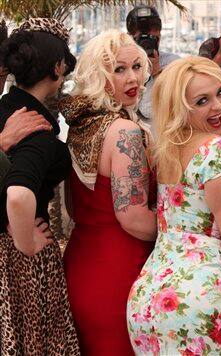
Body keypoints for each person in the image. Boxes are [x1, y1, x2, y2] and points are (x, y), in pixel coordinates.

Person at [127, 56, 221, 355]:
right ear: (180, 109)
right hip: (195, 296)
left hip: (146, 298)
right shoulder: (217, 150)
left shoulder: (167, 151)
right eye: (202, 101)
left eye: (220, 93)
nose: (218, 106)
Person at [59, 30, 156, 355]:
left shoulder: (81, 126)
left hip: (82, 263)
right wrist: (183, 230)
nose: (133, 77)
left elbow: (72, 207)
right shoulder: (124, 131)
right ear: (99, 76)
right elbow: (133, 218)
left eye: (137, 66)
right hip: (120, 270)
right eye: (119, 69)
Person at [0, 18, 79, 354]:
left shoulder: (9, 110)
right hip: (19, 259)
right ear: (57, 68)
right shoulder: (34, 127)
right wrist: (25, 242)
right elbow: (18, 195)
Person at [126, 5, 180, 131]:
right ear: (129, 36)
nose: (147, 36)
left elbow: (176, 106)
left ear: (159, 34)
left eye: (152, 29)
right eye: (141, 31)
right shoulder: (121, 66)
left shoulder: (173, 63)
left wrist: (156, 71)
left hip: (163, 132)